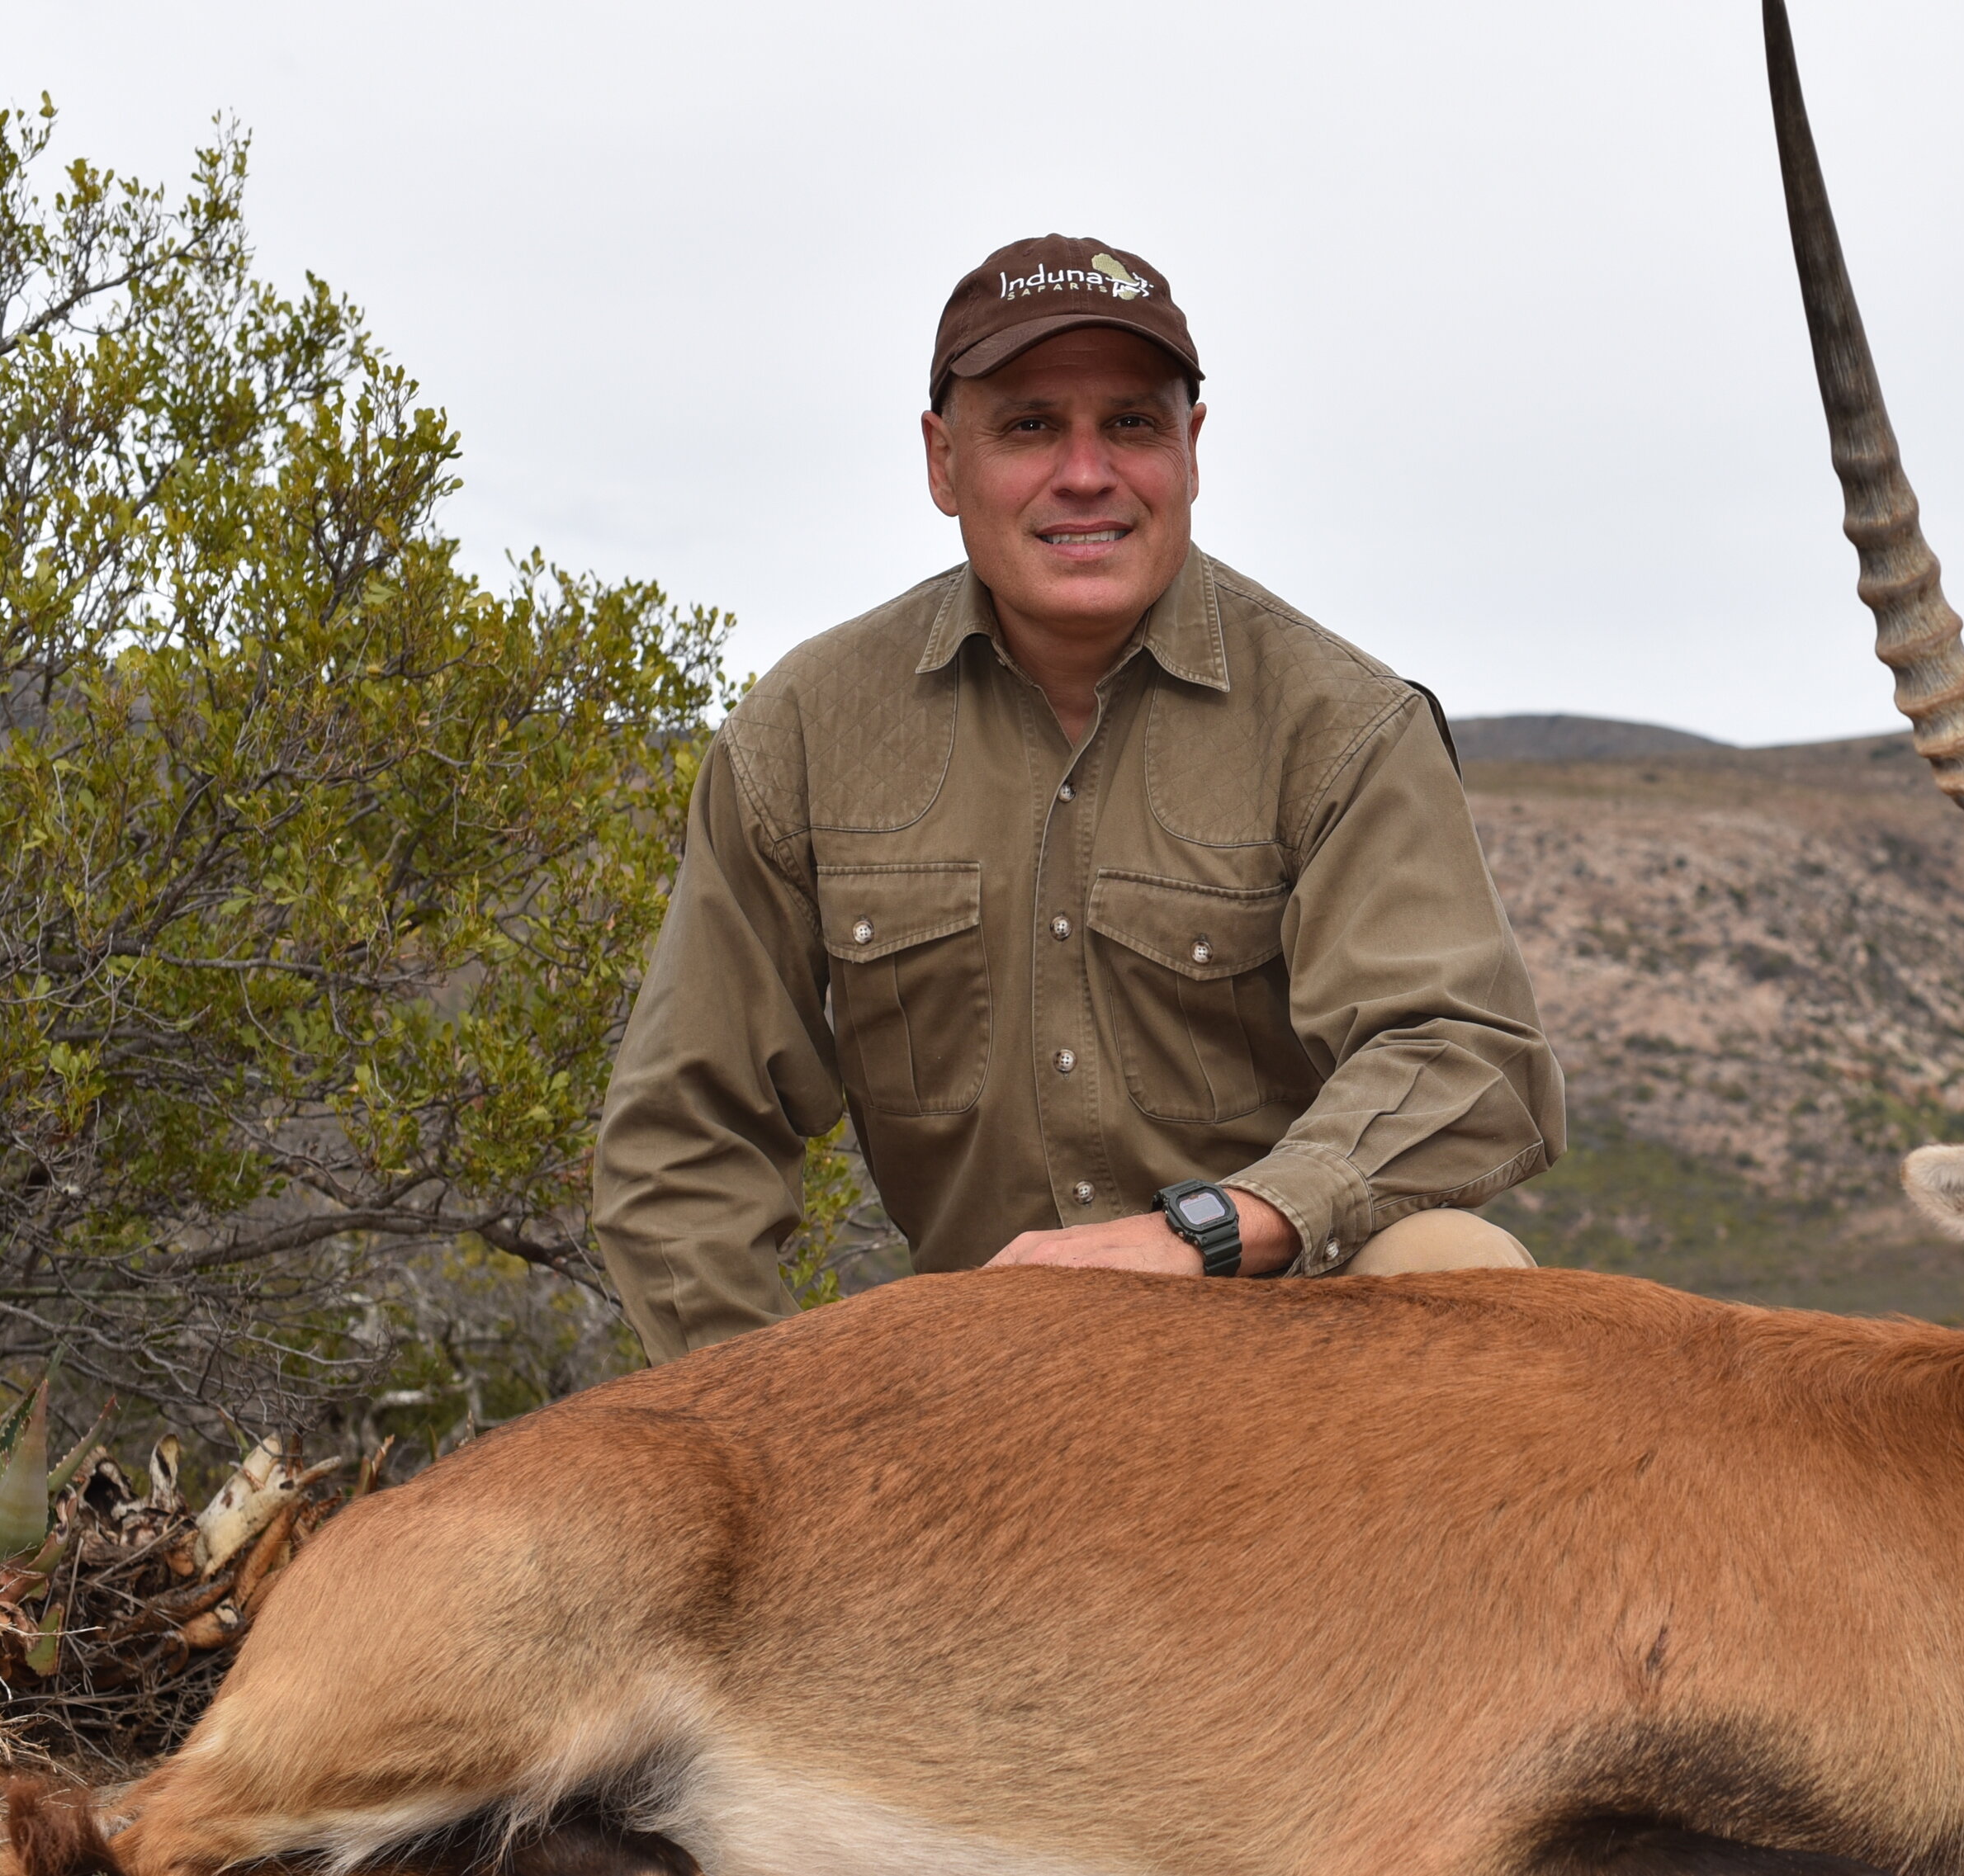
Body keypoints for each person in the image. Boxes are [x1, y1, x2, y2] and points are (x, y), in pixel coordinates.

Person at [592, 235, 1564, 1361]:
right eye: (1030, 426)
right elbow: (683, 1136)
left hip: (1297, 1363)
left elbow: (1466, 1059)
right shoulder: (807, 730)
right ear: (943, 459)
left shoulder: (1341, 726)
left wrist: (1207, 1234)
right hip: (986, 1394)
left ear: (1192, 451)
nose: (1087, 473)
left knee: (1454, 1270)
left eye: (1134, 424)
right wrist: (768, 1432)